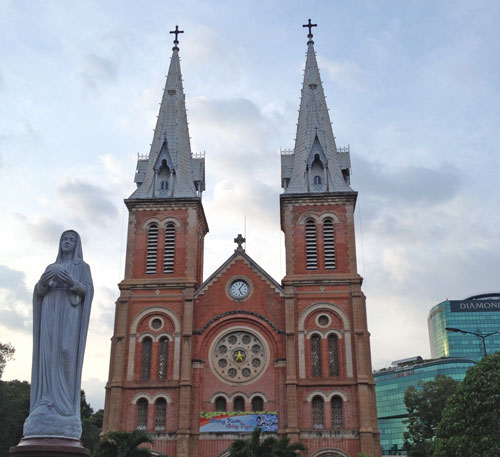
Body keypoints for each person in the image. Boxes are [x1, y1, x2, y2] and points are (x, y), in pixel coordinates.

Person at [23, 230, 93, 439]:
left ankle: (65, 407)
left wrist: (72, 282)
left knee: (65, 353)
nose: (67, 242)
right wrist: (43, 283)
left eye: (71, 239)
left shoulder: (83, 268)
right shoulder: (51, 267)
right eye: (64, 239)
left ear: (77, 245)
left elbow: (87, 292)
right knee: (49, 355)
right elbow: (39, 292)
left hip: (70, 315)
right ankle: (46, 400)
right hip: (50, 313)